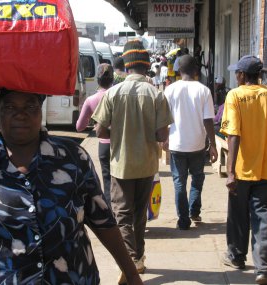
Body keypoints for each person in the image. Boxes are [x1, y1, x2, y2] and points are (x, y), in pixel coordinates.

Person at [0, 87, 143, 285]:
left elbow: (102, 220)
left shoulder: (72, 157)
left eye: (30, 106)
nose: (21, 115)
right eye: (10, 107)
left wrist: (132, 276)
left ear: (41, 110)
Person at [91, 39, 173, 284]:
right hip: (147, 164)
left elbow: (99, 131)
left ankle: (130, 263)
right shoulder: (156, 95)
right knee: (139, 215)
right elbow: (162, 135)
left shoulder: (113, 93)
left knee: (122, 215)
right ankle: (137, 258)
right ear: (147, 67)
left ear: (126, 67)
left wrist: (119, 134)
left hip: (121, 164)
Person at [220, 55, 267, 285]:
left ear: (242, 75)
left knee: (238, 217)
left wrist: (230, 172)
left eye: (236, 73)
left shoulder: (235, 95)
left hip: (241, 171)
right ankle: (264, 269)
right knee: (263, 217)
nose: (235, 76)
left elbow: (233, 135)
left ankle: (237, 257)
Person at [164, 55, 218, 230]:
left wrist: (164, 139)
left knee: (179, 182)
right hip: (197, 144)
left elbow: (164, 119)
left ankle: (183, 219)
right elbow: (208, 120)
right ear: (196, 71)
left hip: (176, 145)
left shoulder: (170, 90)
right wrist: (213, 145)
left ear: (179, 70)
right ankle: (194, 211)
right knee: (197, 178)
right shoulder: (204, 90)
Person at [76, 63, 114, 205]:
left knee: (107, 180)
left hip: (104, 146)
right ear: (112, 80)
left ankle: (111, 212)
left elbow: (80, 127)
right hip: (122, 145)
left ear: (98, 80)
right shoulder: (117, 96)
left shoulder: (91, 100)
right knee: (124, 181)